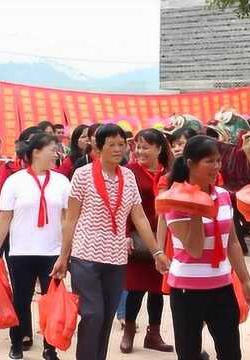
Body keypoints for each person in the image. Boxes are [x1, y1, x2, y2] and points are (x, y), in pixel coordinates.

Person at [50, 124, 170, 360]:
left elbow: (139, 217)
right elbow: (71, 219)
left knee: (106, 317)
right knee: (92, 313)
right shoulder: (82, 175)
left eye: (121, 144)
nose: (118, 149)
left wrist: (157, 252)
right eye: (112, 144)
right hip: (85, 257)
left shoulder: (128, 176)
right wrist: (63, 257)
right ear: (98, 147)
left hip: (116, 259)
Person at [161, 135, 250, 360]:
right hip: (187, 290)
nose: (216, 167)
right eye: (209, 161)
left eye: (218, 161)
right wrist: (196, 207)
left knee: (231, 351)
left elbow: (232, 241)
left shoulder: (223, 195)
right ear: (190, 164)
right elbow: (194, 249)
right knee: (189, 352)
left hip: (222, 286)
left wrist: (245, 281)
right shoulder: (174, 201)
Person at [0, 133, 70, 360]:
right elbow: (5, 217)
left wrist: (66, 251)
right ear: (36, 152)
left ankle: (49, 346)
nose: (57, 154)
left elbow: (66, 218)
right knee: (21, 300)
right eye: (52, 149)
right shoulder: (14, 181)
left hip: (52, 251)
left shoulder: (62, 182)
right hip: (21, 251)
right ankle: (16, 342)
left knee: (51, 301)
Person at [120, 128, 174, 354]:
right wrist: (124, 234)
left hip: (162, 238)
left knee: (157, 290)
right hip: (136, 238)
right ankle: (129, 331)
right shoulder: (129, 171)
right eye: (138, 147)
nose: (140, 151)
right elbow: (122, 206)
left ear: (159, 148)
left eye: (145, 147)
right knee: (134, 289)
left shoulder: (171, 172)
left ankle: (154, 334)